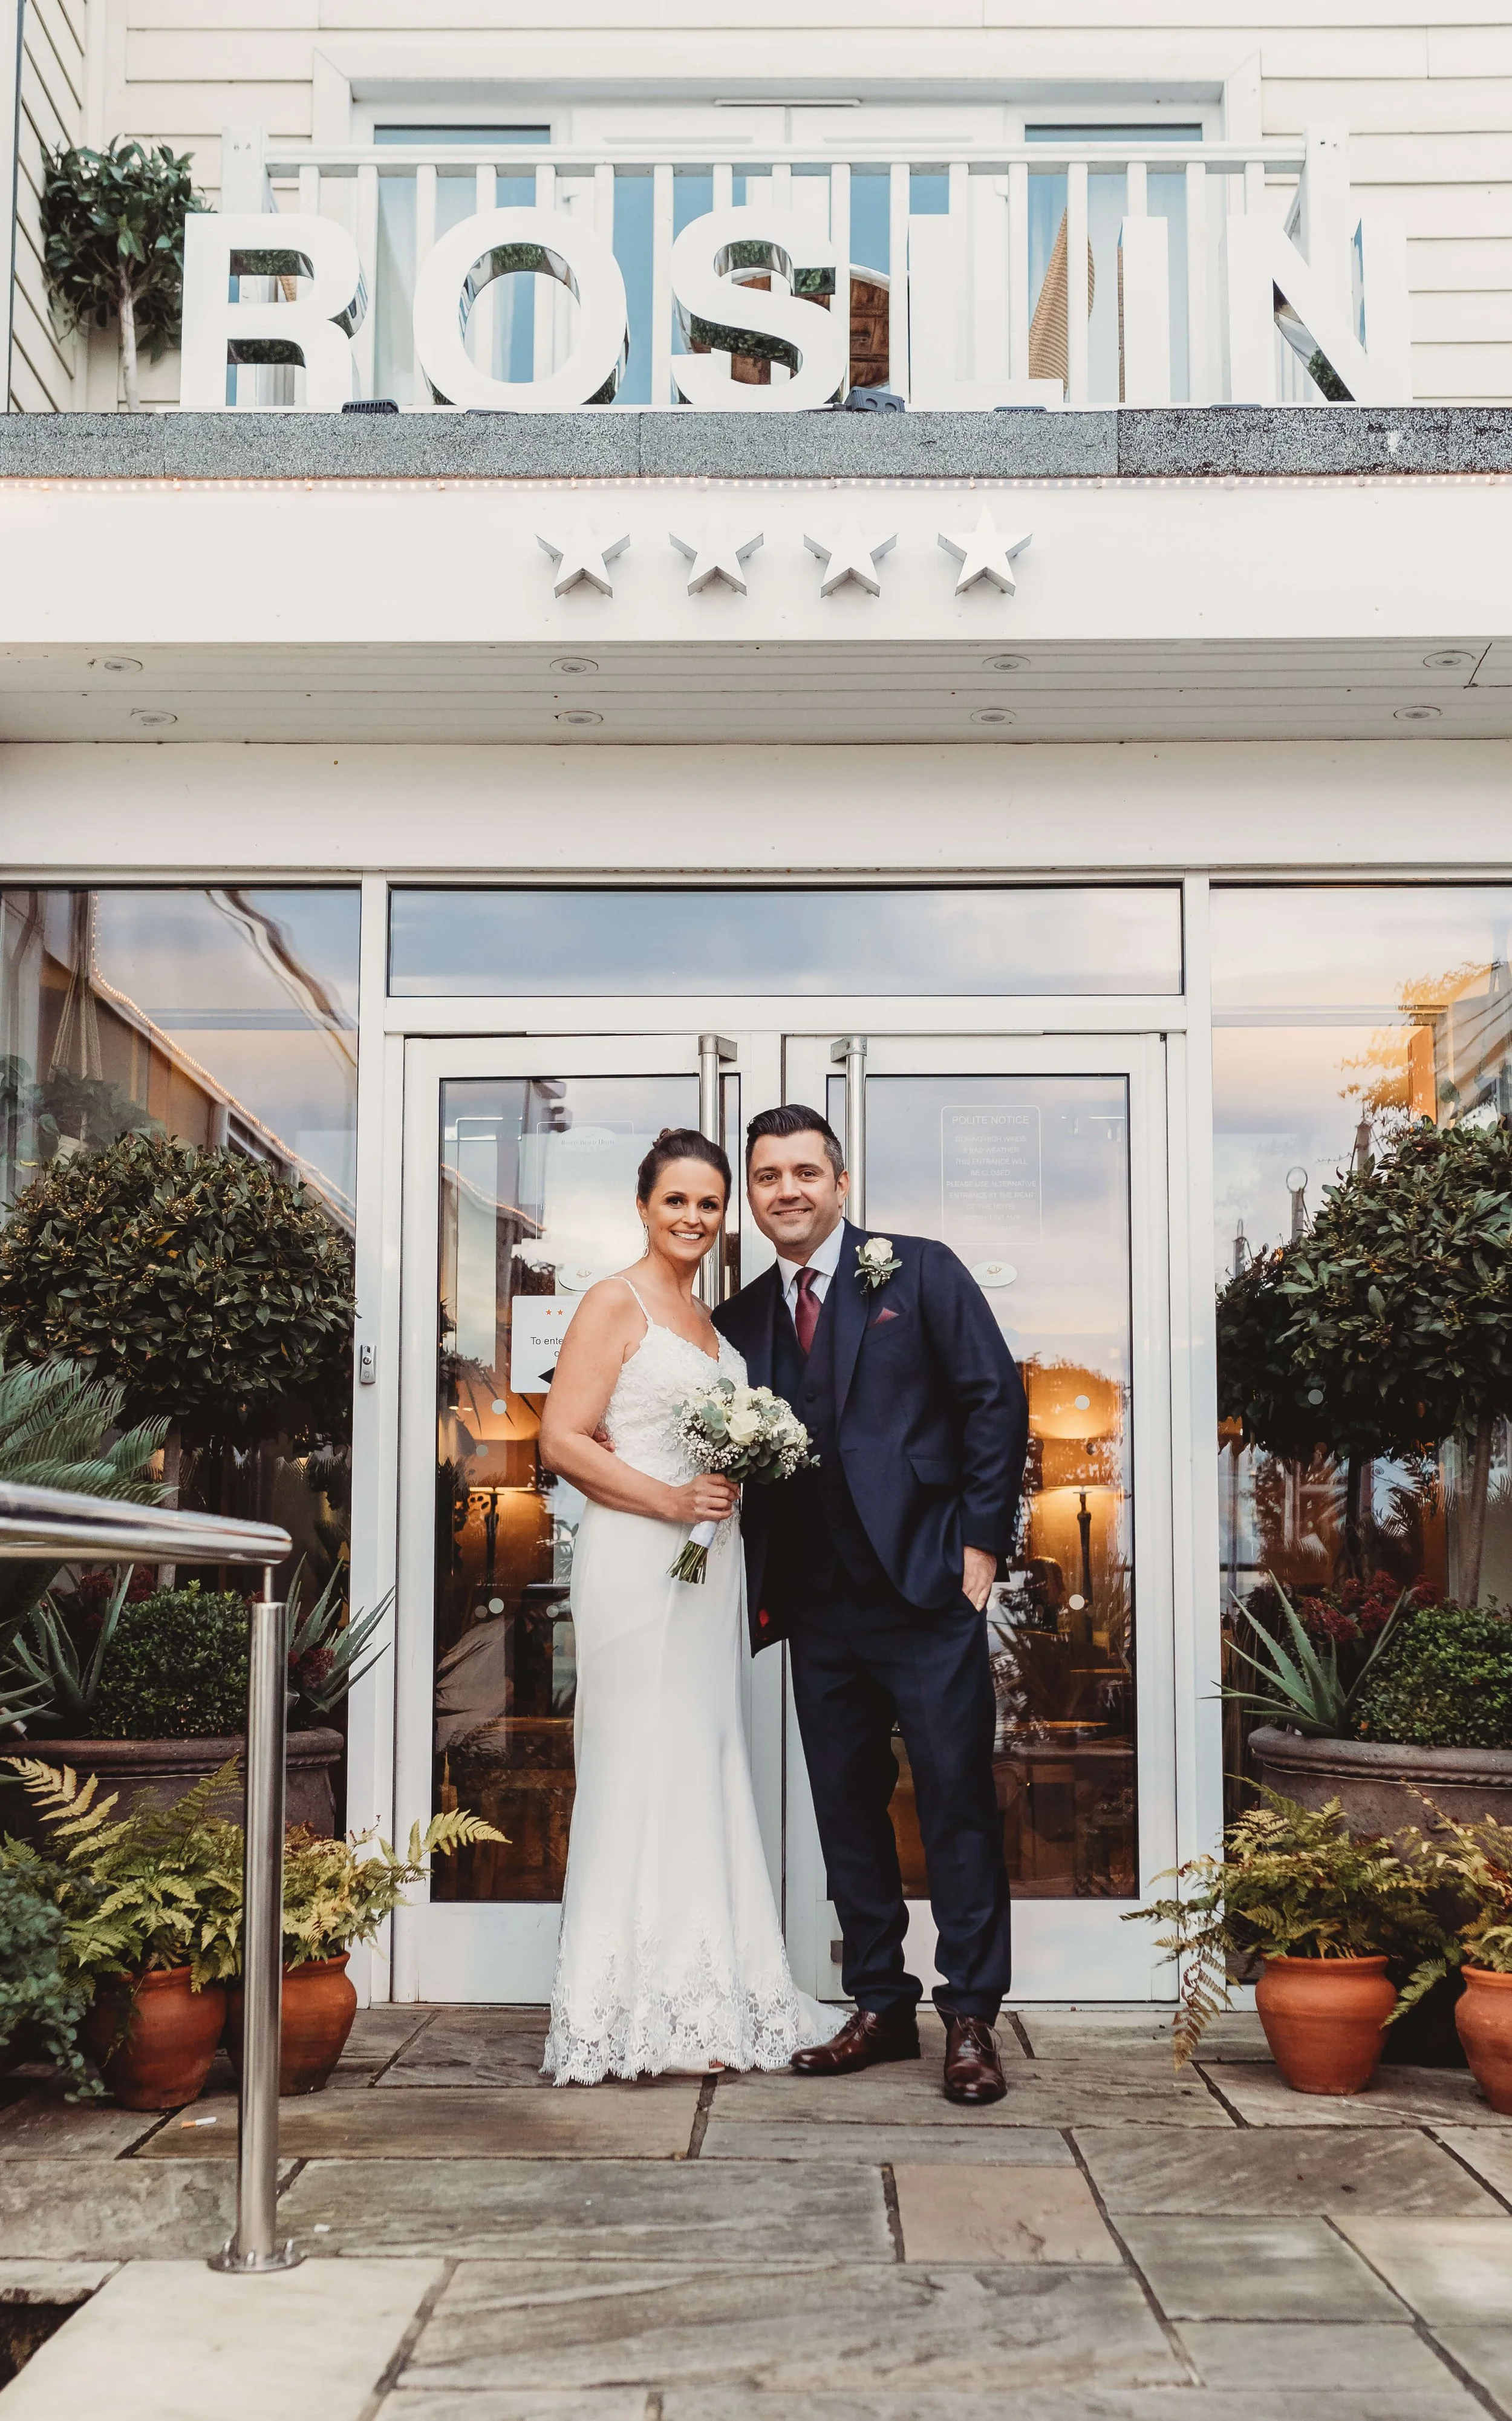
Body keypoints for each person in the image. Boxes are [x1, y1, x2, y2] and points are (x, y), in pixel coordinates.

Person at [714, 1105, 1029, 2105]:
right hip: (817, 1604)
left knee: (954, 1804)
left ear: (840, 1185)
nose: (788, 1190)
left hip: (927, 1589)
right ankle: (881, 2003)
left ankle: (971, 2013)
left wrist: (980, 1543)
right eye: (769, 1177)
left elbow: (995, 1399)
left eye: (806, 1171)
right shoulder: (742, 1320)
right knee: (845, 1810)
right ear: (753, 1199)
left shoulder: (920, 1270)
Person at [537, 1126, 841, 2083]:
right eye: (678, 1200)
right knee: (638, 1762)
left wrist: (737, 1478)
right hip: (637, 1560)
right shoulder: (612, 1301)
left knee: (705, 1760)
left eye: (710, 1203)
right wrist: (670, 1499)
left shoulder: (713, 1325)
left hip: (712, 1570)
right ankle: (619, 2007)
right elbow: (561, 1440)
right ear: (643, 1205)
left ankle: (707, 1998)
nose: (695, 1217)